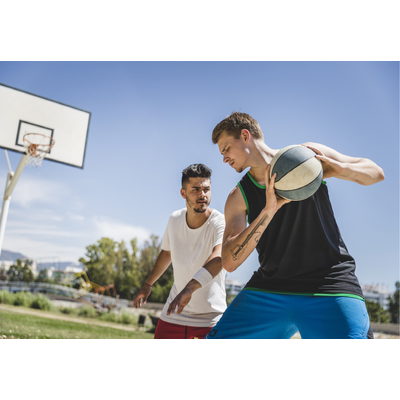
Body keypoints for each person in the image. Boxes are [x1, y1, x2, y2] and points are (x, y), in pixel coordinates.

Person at [207, 112, 384, 339]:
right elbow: (230, 262)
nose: (224, 158)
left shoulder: (307, 157)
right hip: (270, 288)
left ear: (244, 135)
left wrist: (338, 168)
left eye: (226, 149)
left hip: (329, 284)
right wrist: (268, 211)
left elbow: (376, 173)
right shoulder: (238, 196)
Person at [133, 164, 227, 339]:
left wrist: (189, 288)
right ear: (183, 193)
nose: (202, 195)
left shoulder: (219, 221)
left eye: (206, 189)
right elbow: (167, 253)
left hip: (211, 316)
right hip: (174, 312)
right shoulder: (175, 219)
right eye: (196, 189)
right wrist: (148, 285)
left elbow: (219, 256)